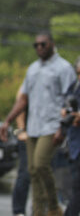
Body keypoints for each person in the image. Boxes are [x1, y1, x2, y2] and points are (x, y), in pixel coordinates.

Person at [0, 32, 76, 216]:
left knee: (41, 164)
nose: (39, 48)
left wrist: (63, 128)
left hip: (52, 126)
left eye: (43, 44)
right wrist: (8, 120)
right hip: (34, 126)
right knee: (33, 170)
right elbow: (23, 99)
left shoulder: (64, 68)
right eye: (36, 45)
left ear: (52, 43)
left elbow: (72, 99)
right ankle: (38, 212)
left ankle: (53, 207)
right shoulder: (33, 69)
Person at [62, 57, 80, 216]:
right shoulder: (74, 86)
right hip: (74, 144)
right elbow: (65, 104)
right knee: (75, 188)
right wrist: (65, 111)